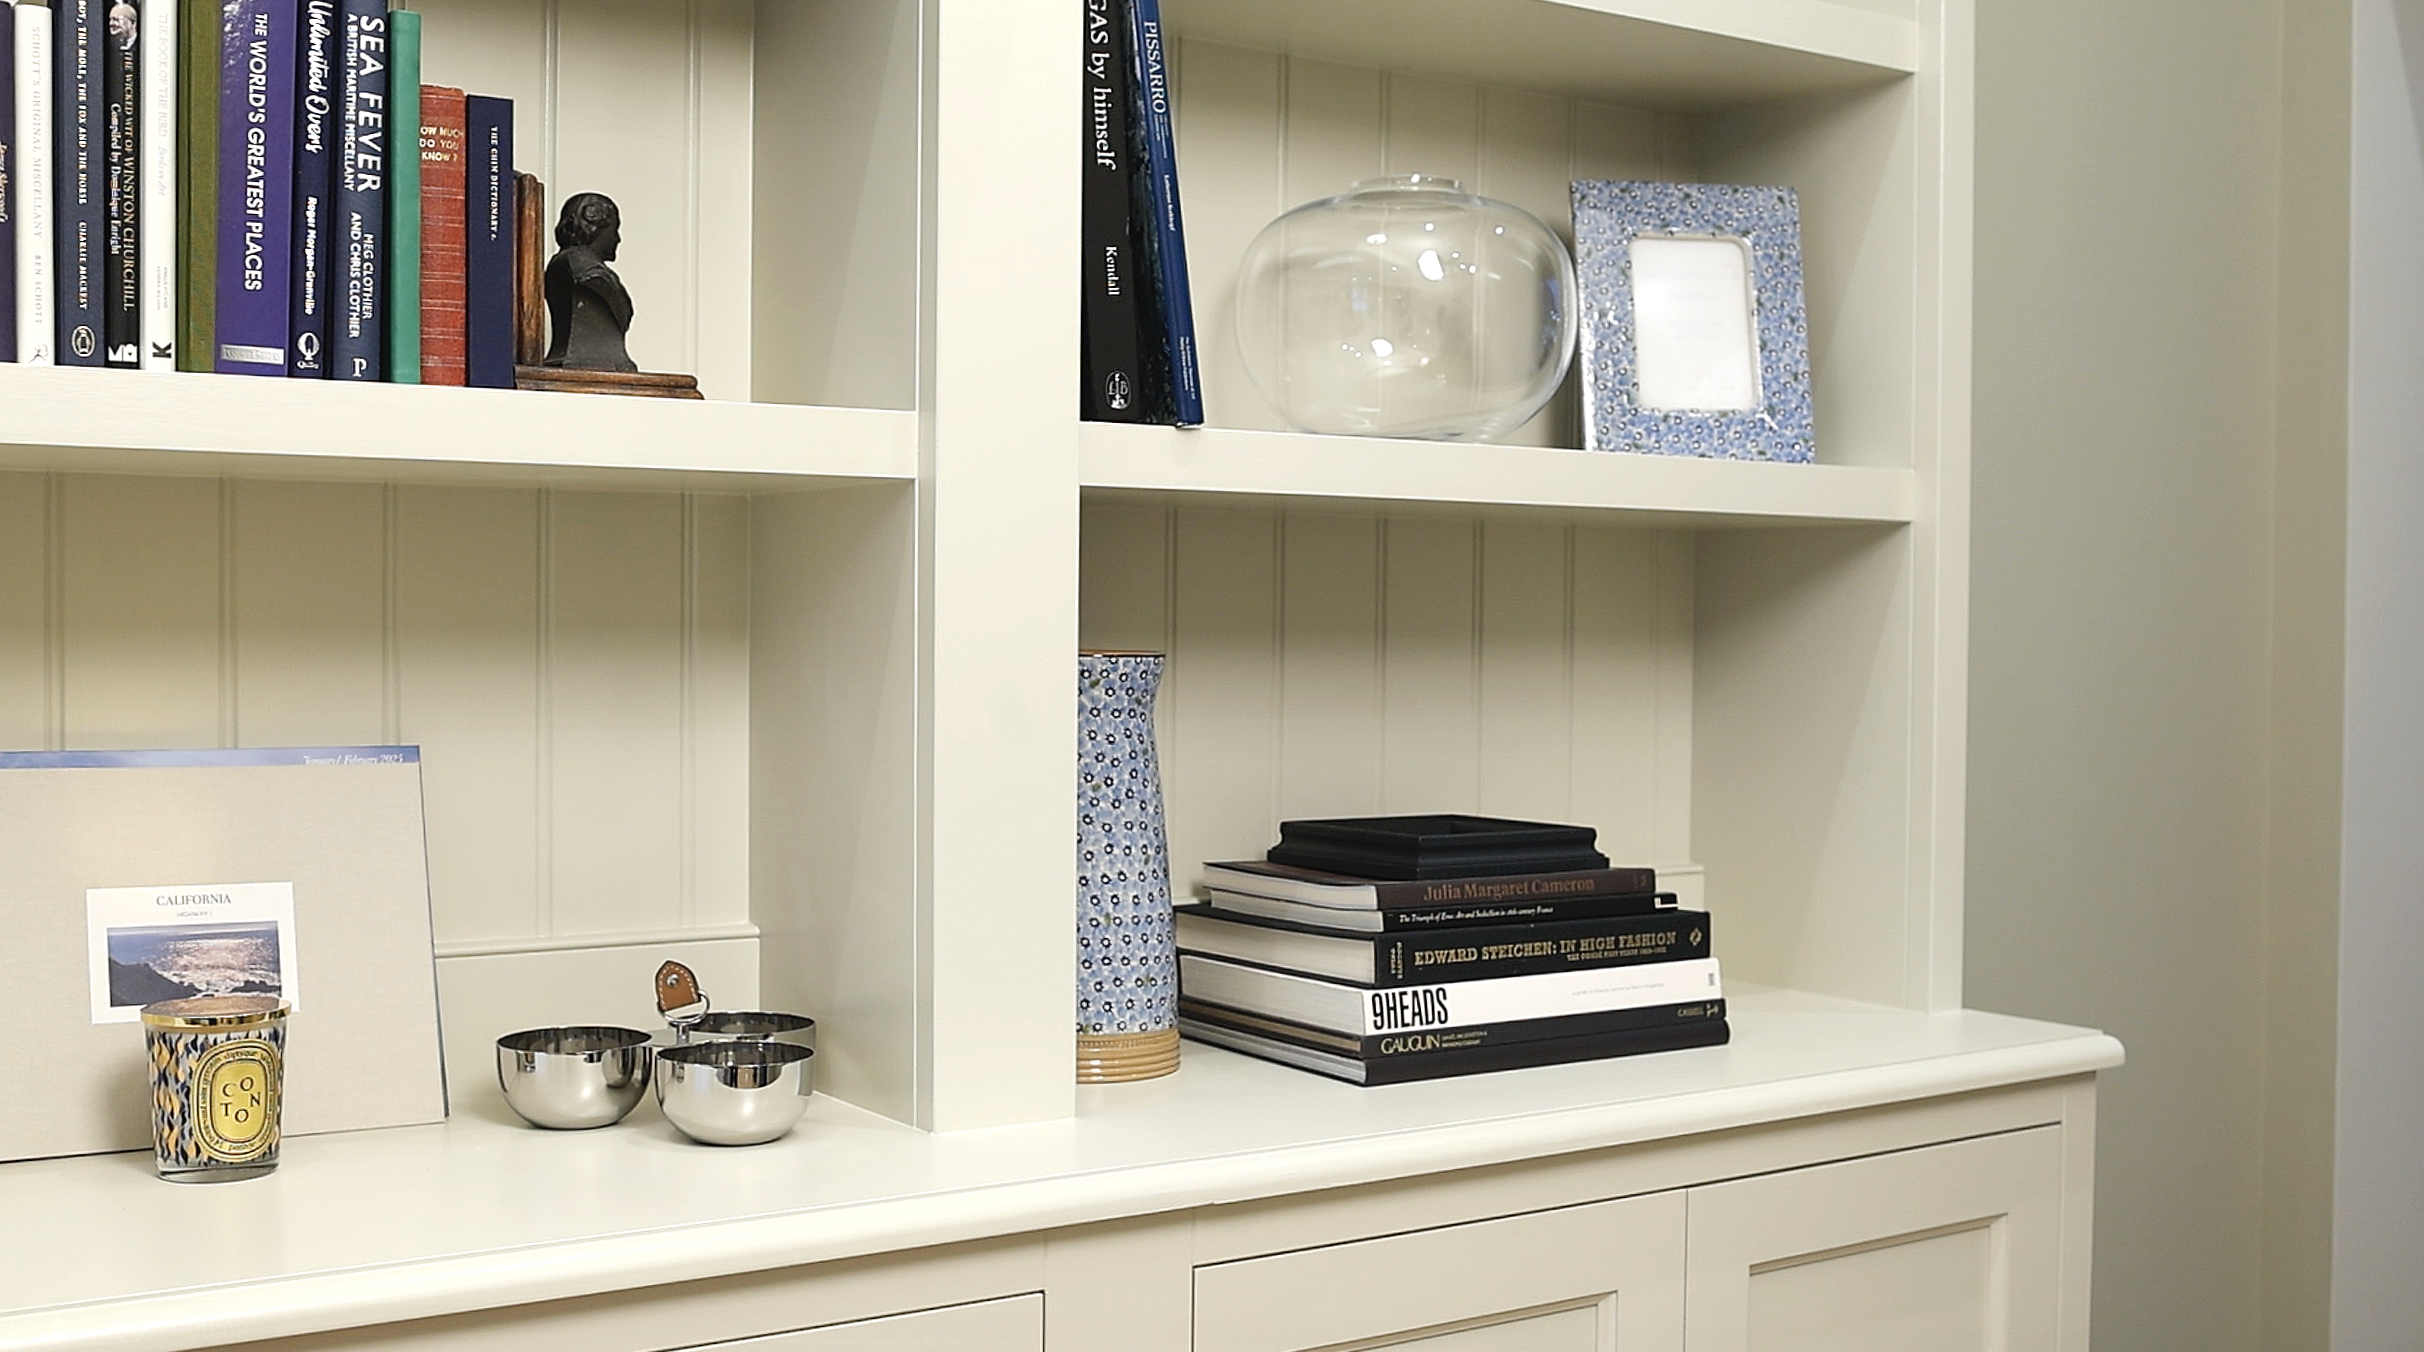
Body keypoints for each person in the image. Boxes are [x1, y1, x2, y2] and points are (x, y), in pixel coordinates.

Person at [541, 193, 638, 372]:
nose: (618, 239)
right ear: (595, 229)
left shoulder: (567, 263)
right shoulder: (582, 268)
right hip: (584, 364)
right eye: (615, 230)